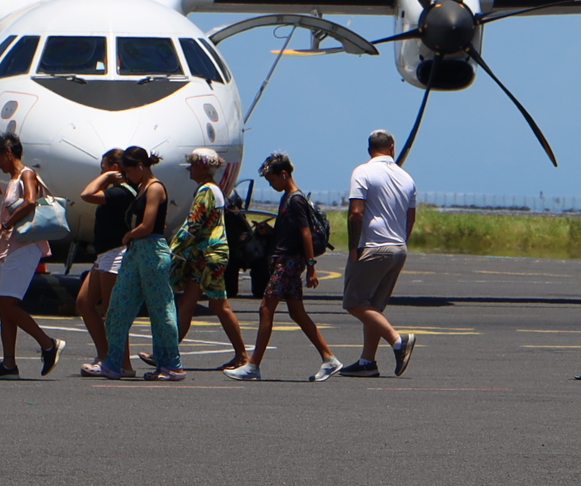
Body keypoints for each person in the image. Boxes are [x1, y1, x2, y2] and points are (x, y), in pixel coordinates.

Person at [227, 152, 345, 381]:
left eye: (272, 180)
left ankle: (253, 366)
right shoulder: (287, 198)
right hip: (286, 260)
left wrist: (311, 266)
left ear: (284, 174)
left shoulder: (296, 200)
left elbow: (305, 233)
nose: (271, 185)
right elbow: (292, 233)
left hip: (289, 262)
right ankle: (329, 359)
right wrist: (270, 233)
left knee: (265, 309)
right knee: (297, 312)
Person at [0, 132, 65, 379]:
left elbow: (30, 202)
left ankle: (48, 344)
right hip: (12, 246)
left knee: (6, 303)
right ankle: (9, 363)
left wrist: (2, 226)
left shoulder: (27, 175)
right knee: (5, 305)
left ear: (8, 153)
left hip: (25, 247)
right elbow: (13, 213)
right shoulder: (14, 180)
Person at [86, 147, 183, 381]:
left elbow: (148, 225)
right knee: (118, 307)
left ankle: (171, 365)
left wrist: (129, 235)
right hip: (136, 251)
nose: (127, 175)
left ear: (141, 166)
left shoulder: (155, 187)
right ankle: (114, 362)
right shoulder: (140, 187)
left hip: (151, 250)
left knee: (161, 310)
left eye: (129, 170)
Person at [338, 130, 418, 377]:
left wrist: (353, 247)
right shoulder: (407, 178)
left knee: (353, 302)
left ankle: (397, 341)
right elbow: (410, 217)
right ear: (392, 147)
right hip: (398, 248)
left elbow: (356, 212)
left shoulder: (363, 172)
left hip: (373, 246)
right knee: (373, 306)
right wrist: (400, 242)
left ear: (369, 148)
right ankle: (367, 362)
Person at [171, 148, 250, 370]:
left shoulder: (206, 191)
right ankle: (167, 351)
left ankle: (243, 355)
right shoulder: (212, 189)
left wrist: (172, 249)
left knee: (220, 305)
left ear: (203, 167)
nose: (189, 170)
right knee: (188, 303)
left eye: (193, 165)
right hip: (205, 256)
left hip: (208, 255)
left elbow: (194, 225)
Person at [72, 149, 135, 366]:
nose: (101, 172)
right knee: (85, 301)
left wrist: (107, 177)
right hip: (104, 254)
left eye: (103, 167)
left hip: (116, 253)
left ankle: (122, 363)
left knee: (114, 312)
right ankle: (105, 355)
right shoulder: (117, 192)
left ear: (115, 168)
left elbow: (87, 194)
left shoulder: (121, 192)